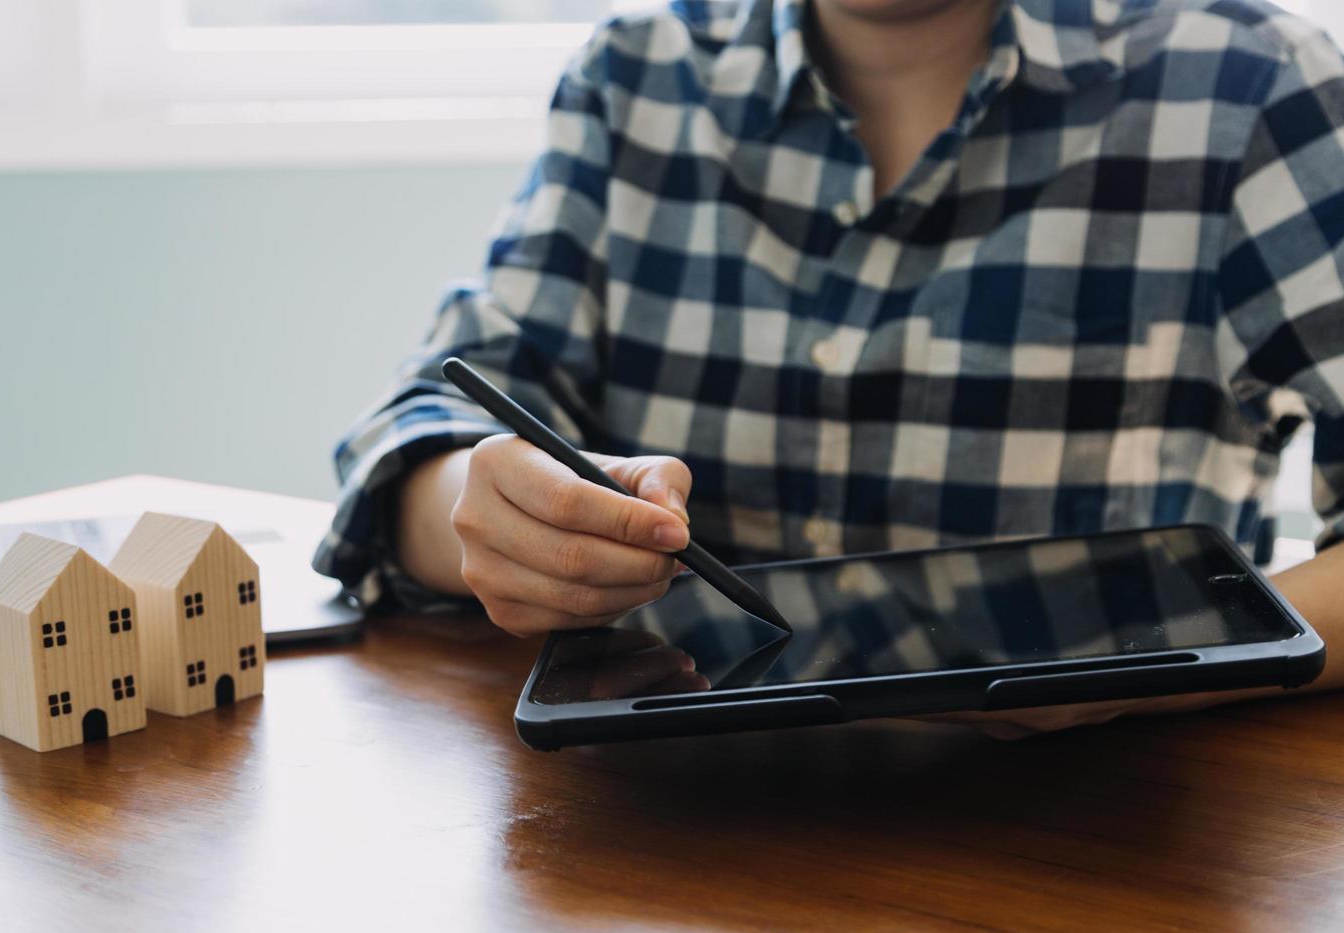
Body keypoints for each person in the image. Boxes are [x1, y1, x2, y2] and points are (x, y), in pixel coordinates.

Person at [316, 0, 1344, 735]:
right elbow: (427, 428)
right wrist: (486, 513)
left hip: (1105, 841)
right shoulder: (634, 75)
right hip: (670, 843)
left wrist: (1154, 672)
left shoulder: (1253, 88)